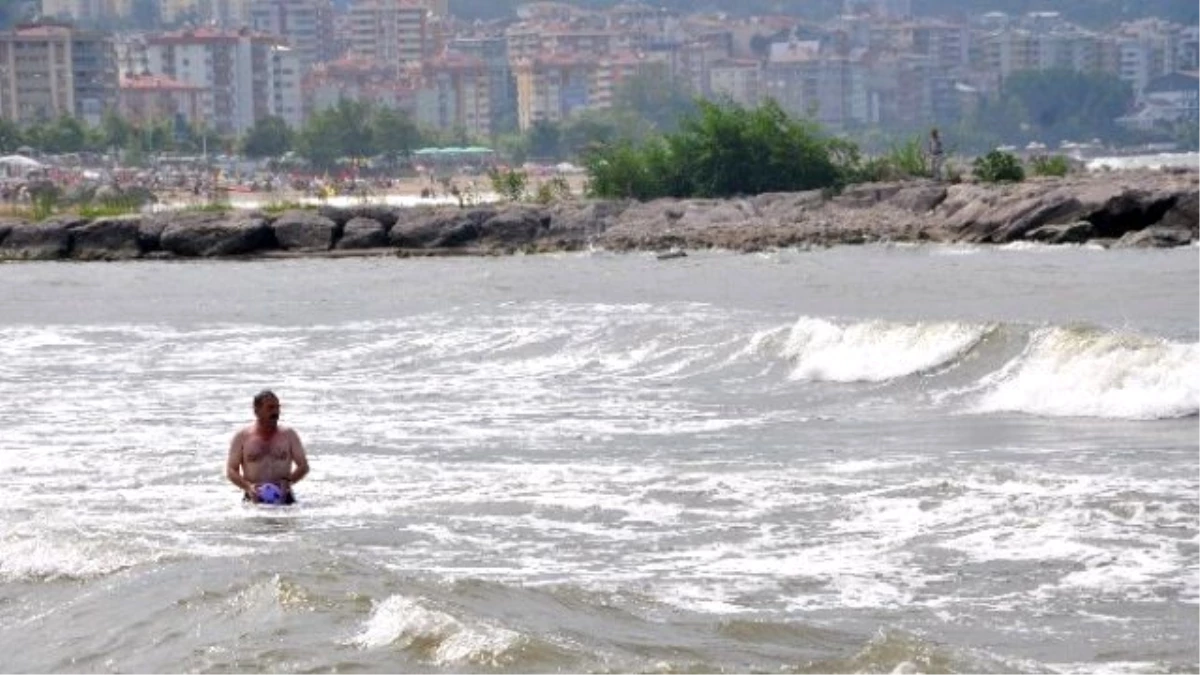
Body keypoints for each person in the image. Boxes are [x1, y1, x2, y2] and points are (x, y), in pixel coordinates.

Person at [226, 389, 310, 504]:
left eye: (277, 407)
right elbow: (231, 470)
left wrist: (289, 481)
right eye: (270, 408)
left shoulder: (289, 435)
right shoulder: (242, 437)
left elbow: (303, 466)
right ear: (257, 411)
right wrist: (248, 487)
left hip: (284, 498)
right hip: (253, 499)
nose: (276, 412)